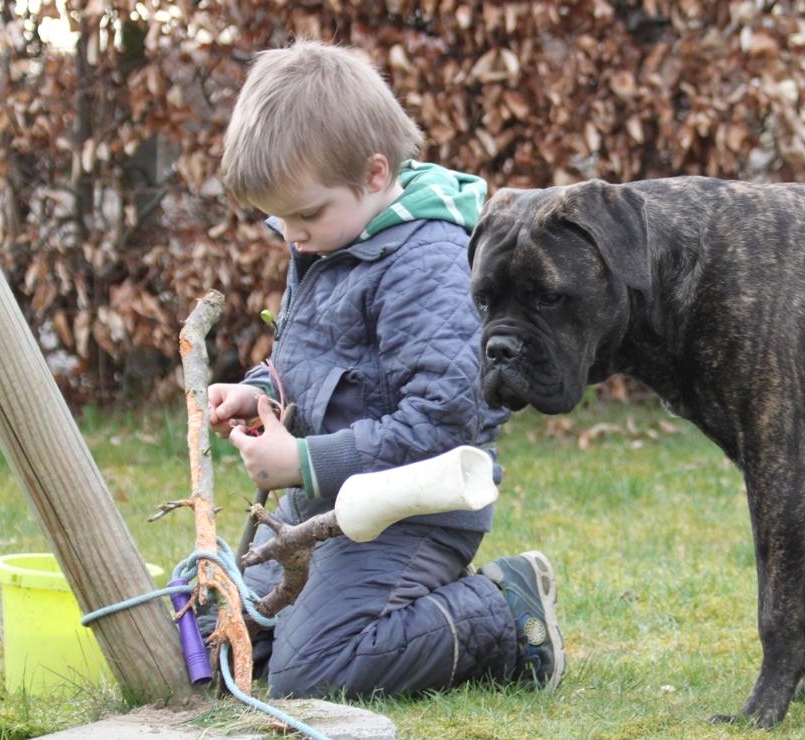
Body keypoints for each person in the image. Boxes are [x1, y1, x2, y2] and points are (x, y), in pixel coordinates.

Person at [207, 39, 565, 699]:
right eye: (278, 217)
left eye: (306, 213)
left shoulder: (426, 262)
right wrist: (257, 392)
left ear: (375, 175)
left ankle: (503, 614)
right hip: (320, 512)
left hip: (412, 516)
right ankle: (334, 615)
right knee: (220, 632)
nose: (291, 235)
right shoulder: (330, 238)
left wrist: (305, 462)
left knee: (310, 673)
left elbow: (445, 421)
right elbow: (313, 362)